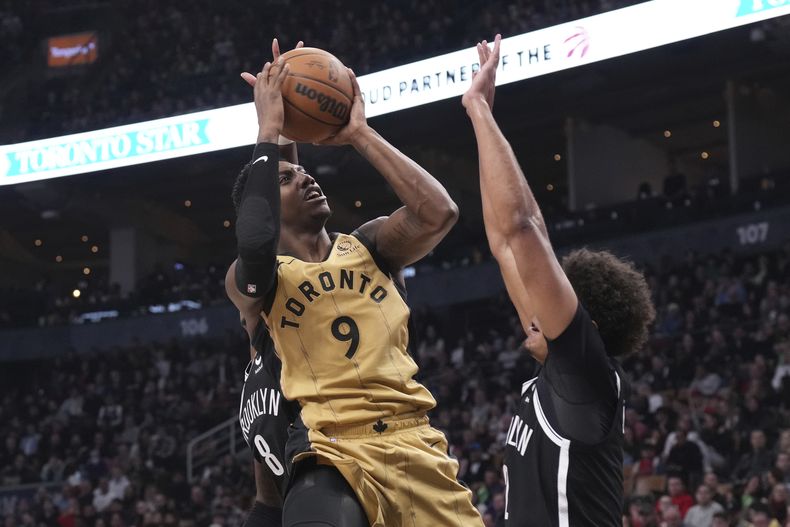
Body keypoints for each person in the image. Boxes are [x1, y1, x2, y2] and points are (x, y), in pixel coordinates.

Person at [225, 41, 484, 527]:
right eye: (286, 179)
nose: (306, 179)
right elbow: (256, 239)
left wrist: (359, 134)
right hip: (330, 450)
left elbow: (440, 212)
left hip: (415, 441)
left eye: (304, 172)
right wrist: (269, 130)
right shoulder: (259, 280)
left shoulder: (370, 244)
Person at [462, 35, 655, 526]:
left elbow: (522, 230)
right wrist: (486, 118)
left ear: (581, 321)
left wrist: (477, 110)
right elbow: (506, 242)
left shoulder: (586, 375)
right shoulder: (565, 375)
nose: (533, 305)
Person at [235, 39, 303, 527]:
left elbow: (285, 207)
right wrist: (272, 128)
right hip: (272, 506)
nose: (298, 179)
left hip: (318, 489)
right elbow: (266, 235)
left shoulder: (320, 273)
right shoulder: (245, 283)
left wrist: (281, 123)